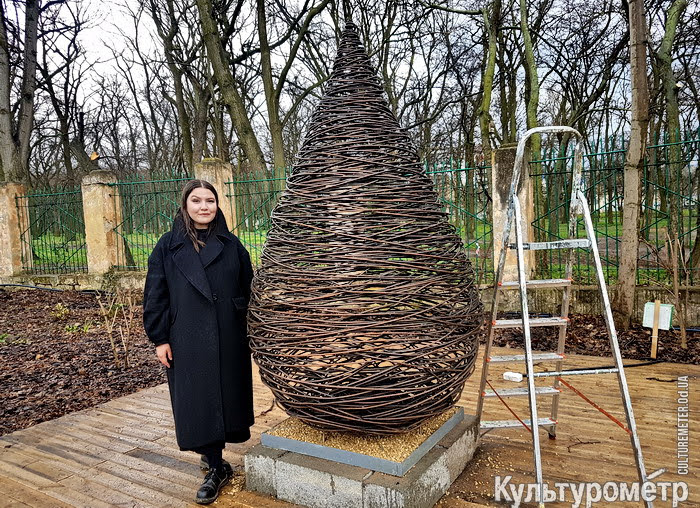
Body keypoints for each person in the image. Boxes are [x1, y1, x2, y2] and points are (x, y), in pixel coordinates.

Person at [142, 179, 254, 505]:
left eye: (209, 200)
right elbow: (155, 294)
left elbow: (248, 291)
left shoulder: (232, 245)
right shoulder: (168, 245)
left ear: (217, 206)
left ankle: (215, 462)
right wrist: (159, 337)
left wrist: (247, 323)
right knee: (198, 401)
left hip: (227, 336)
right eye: (196, 200)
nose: (204, 206)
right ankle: (215, 464)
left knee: (223, 398)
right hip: (187, 337)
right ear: (185, 205)